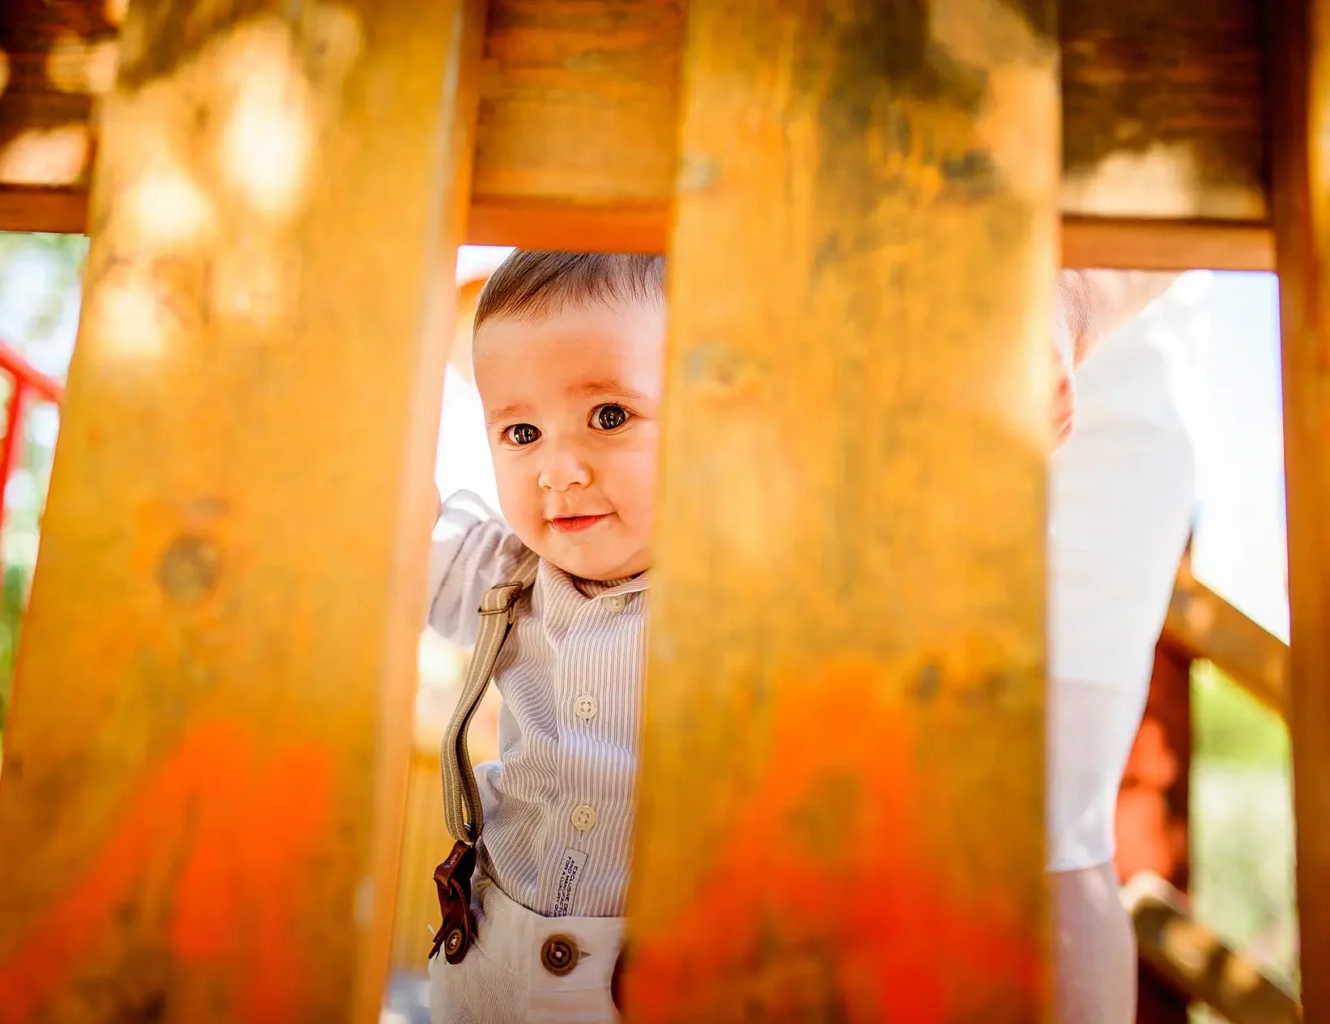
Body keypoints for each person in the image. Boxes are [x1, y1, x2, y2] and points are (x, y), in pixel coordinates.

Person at [426, 251, 1187, 1022]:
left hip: (688, 979)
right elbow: (392, 526)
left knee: (1038, 831)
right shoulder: (503, 575)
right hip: (495, 978)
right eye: (520, 432)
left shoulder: (773, 584)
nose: (557, 468)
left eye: (610, 417)